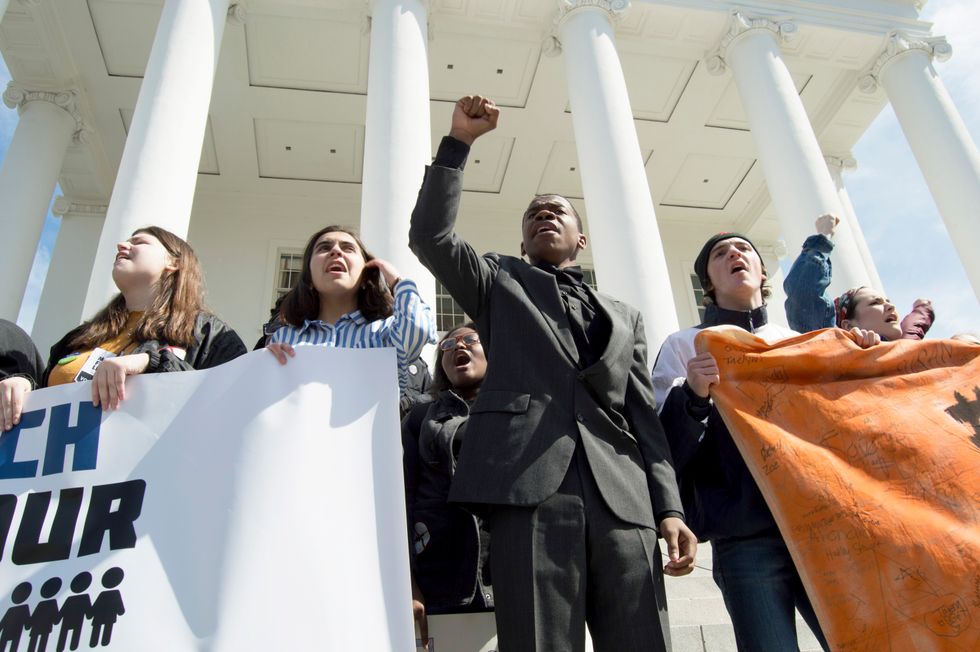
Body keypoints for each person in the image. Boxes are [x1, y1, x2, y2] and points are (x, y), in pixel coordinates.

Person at [409, 95, 696, 652]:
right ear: (521, 241)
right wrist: (458, 144)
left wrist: (669, 507)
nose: (545, 212)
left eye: (557, 210)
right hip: (529, 488)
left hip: (624, 500)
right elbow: (431, 238)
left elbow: (642, 415)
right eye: (534, 212)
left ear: (580, 239)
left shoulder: (626, 317)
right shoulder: (499, 282)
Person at [653, 232, 880, 651]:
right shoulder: (684, 346)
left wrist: (865, 360)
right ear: (709, 282)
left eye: (743, 250)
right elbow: (663, 446)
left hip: (820, 527)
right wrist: (693, 397)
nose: (734, 255)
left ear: (761, 272)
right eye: (720, 254)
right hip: (744, 534)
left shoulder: (802, 344)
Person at [0, 227, 246, 431]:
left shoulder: (209, 334)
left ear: (173, 262)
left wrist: (152, 364)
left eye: (138, 242)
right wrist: (23, 385)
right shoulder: (79, 338)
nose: (121, 245)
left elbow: (234, 404)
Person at [263, 225, 435, 397]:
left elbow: (418, 329)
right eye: (324, 248)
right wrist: (265, 364)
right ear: (309, 276)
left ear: (365, 276)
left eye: (348, 248)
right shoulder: (285, 338)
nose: (336, 251)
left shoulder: (385, 333)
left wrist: (397, 282)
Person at [402, 322, 491, 649]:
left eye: (470, 339)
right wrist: (408, 582)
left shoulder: (516, 411)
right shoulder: (419, 418)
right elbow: (402, 502)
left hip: (509, 582)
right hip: (438, 584)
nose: (458, 347)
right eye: (448, 344)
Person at [784, 214, 935, 339]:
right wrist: (823, 237)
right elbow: (804, 295)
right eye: (875, 302)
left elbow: (914, 326)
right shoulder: (839, 350)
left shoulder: (906, 346)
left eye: (887, 301)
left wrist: (923, 307)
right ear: (848, 326)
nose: (890, 306)